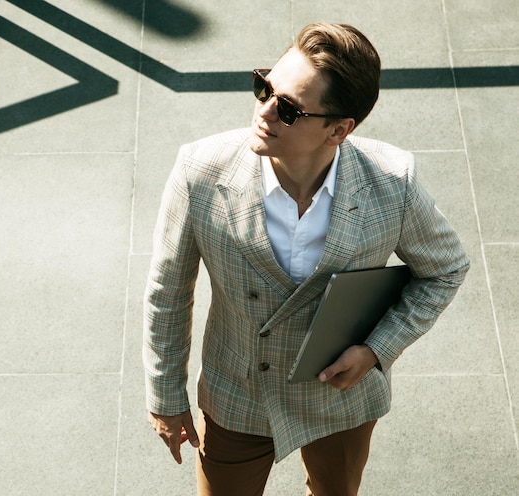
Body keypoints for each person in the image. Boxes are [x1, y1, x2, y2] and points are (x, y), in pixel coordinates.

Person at [143, 22, 470, 496]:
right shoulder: (199, 173)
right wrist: (166, 397)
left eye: (289, 109)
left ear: (338, 130)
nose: (264, 111)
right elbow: (167, 294)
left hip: (341, 397)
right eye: (264, 87)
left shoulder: (391, 182)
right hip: (238, 393)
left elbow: (446, 269)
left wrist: (377, 349)